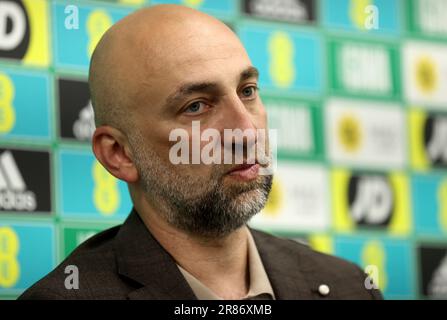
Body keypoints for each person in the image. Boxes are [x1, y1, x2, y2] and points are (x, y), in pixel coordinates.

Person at [19, 4, 382, 300]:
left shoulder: (348, 286)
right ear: (119, 154)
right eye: (196, 106)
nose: (247, 131)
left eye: (248, 91)